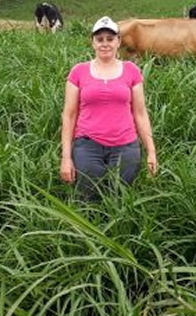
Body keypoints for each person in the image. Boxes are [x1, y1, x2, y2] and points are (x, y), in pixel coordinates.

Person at [60, 16, 157, 200]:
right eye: (100, 39)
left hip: (125, 146)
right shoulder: (78, 72)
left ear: (118, 41)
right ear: (92, 42)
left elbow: (141, 113)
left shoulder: (131, 71)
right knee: (89, 199)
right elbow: (69, 115)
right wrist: (66, 157)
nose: (105, 44)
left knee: (120, 198)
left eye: (110, 39)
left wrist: (151, 151)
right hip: (88, 146)